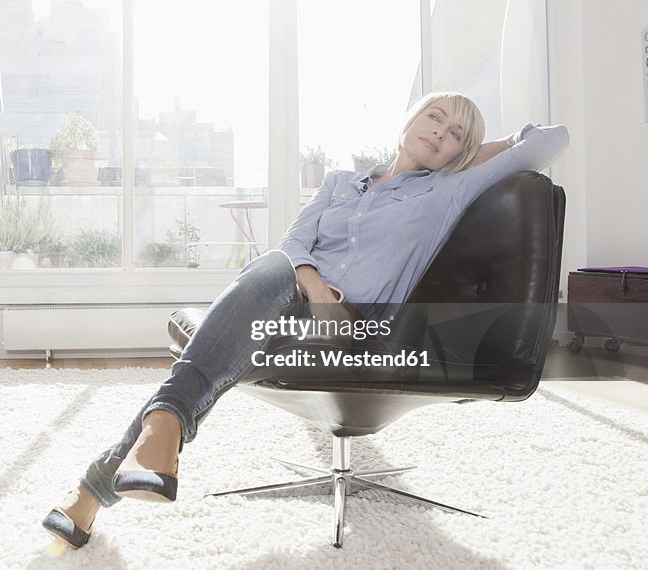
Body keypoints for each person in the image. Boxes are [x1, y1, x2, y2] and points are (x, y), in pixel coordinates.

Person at [41, 92, 570, 549]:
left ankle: (129, 457)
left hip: (356, 330)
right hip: (292, 302)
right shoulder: (341, 181)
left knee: (231, 326)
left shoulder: (448, 190)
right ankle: (149, 439)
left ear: (463, 151)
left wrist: (473, 153)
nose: (441, 132)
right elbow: (295, 244)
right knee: (272, 270)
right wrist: (314, 286)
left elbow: (549, 139)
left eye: (456, 132)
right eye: (435, 117)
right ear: (408, 120)